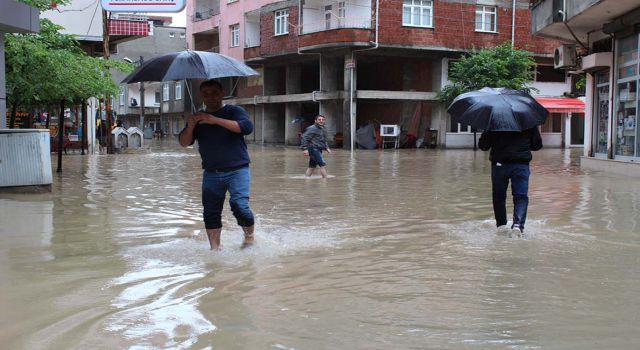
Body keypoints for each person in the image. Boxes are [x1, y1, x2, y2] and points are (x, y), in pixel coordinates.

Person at [179, 79, 255, 250]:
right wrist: (191, 126)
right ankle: (215, 249)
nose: (210, 97)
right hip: (211, 173)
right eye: (206, 94)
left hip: (238, 169)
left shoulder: (234, 111)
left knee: (239, 205)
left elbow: (246, 127)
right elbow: (184, 142)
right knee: (210, 211)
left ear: (222, 94)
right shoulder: (198, 118)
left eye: (214, 93)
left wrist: (214, 120)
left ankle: (249, 236)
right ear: (201, 96)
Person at [478, 127, 543, 236]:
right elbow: (537, 145)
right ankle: (518, 225)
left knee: (498, 196)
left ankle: (501, 225)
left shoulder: (494, 122)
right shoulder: (528, 122)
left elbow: (483, 146)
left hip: (499, 165)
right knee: (521, 196)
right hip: (521, 165)